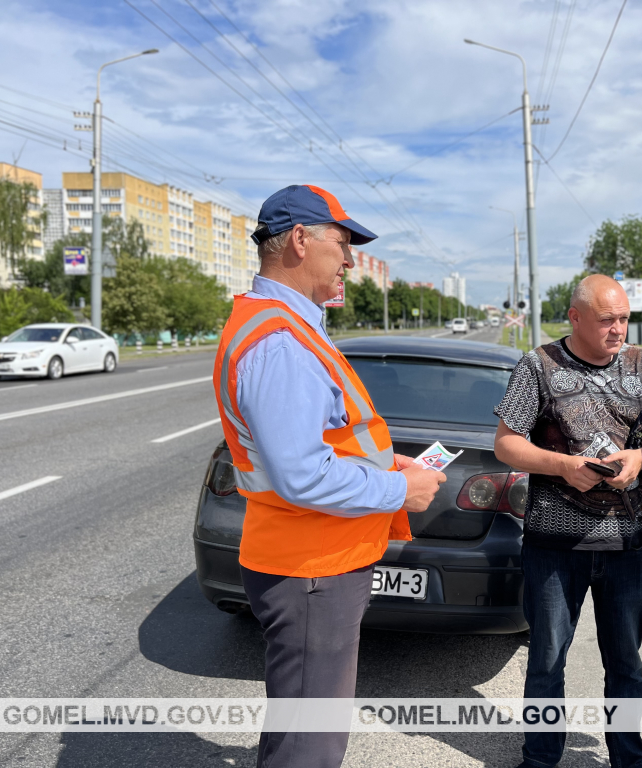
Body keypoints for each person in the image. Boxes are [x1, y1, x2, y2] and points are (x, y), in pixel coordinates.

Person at [212, 184, 447, 768]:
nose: (348, 261)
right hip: (311, 567)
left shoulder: (286, 327)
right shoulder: (281, 340)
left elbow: (317, 448)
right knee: (311, 745)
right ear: (299, 240)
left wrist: (385, 464)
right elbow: (301, 476)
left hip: (311, 561)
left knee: (297, 728)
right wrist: (401, 488)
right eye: (341, 244)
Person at [494, 274, 642, 768]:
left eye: (623, 318)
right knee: (546, 663)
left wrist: (640, 460)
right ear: (575, 318)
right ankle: (540, 759)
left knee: (626, 665)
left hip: (625, 545)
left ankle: (628, 759)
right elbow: (506, 444)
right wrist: (564, 466)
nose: (618, 329)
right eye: (607, 320)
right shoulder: (537, 366)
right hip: (553, 548)